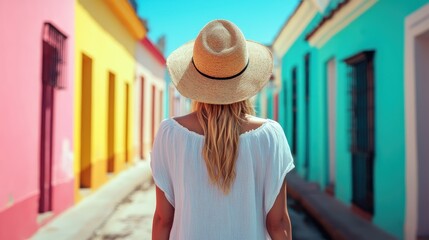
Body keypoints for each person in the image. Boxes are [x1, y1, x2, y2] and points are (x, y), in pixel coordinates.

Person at [151, 19, 295, 240]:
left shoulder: (169, 134)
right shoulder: (270, 136)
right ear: (245, 77)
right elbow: (278, 224)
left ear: (196, 78)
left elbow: (163, 220)